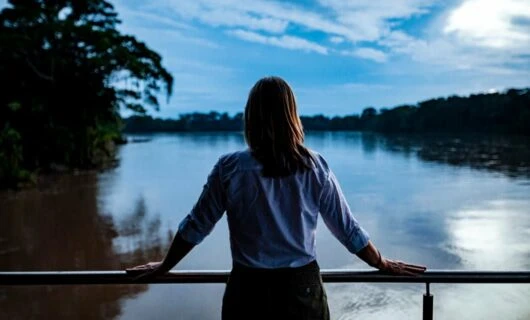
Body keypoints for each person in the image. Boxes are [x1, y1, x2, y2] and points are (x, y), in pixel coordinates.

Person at [127, 76, 426, 319]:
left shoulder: (230, 167)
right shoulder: (314, 165)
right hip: (301, 290)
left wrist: (165, 265)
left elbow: (196, 226)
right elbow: (347, 230)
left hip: (248, 291)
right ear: (291, 115)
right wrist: (381, 262)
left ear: (250, 117)